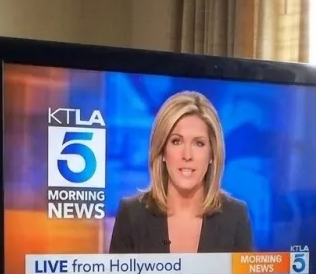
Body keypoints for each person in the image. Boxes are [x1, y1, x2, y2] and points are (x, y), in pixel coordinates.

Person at [108, 91, 253, 254]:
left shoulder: (235, 216)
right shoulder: (132, 214)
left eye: (199, 143)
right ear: (162, 150)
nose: (187, 155)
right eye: (176, 141)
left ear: (212, 154)